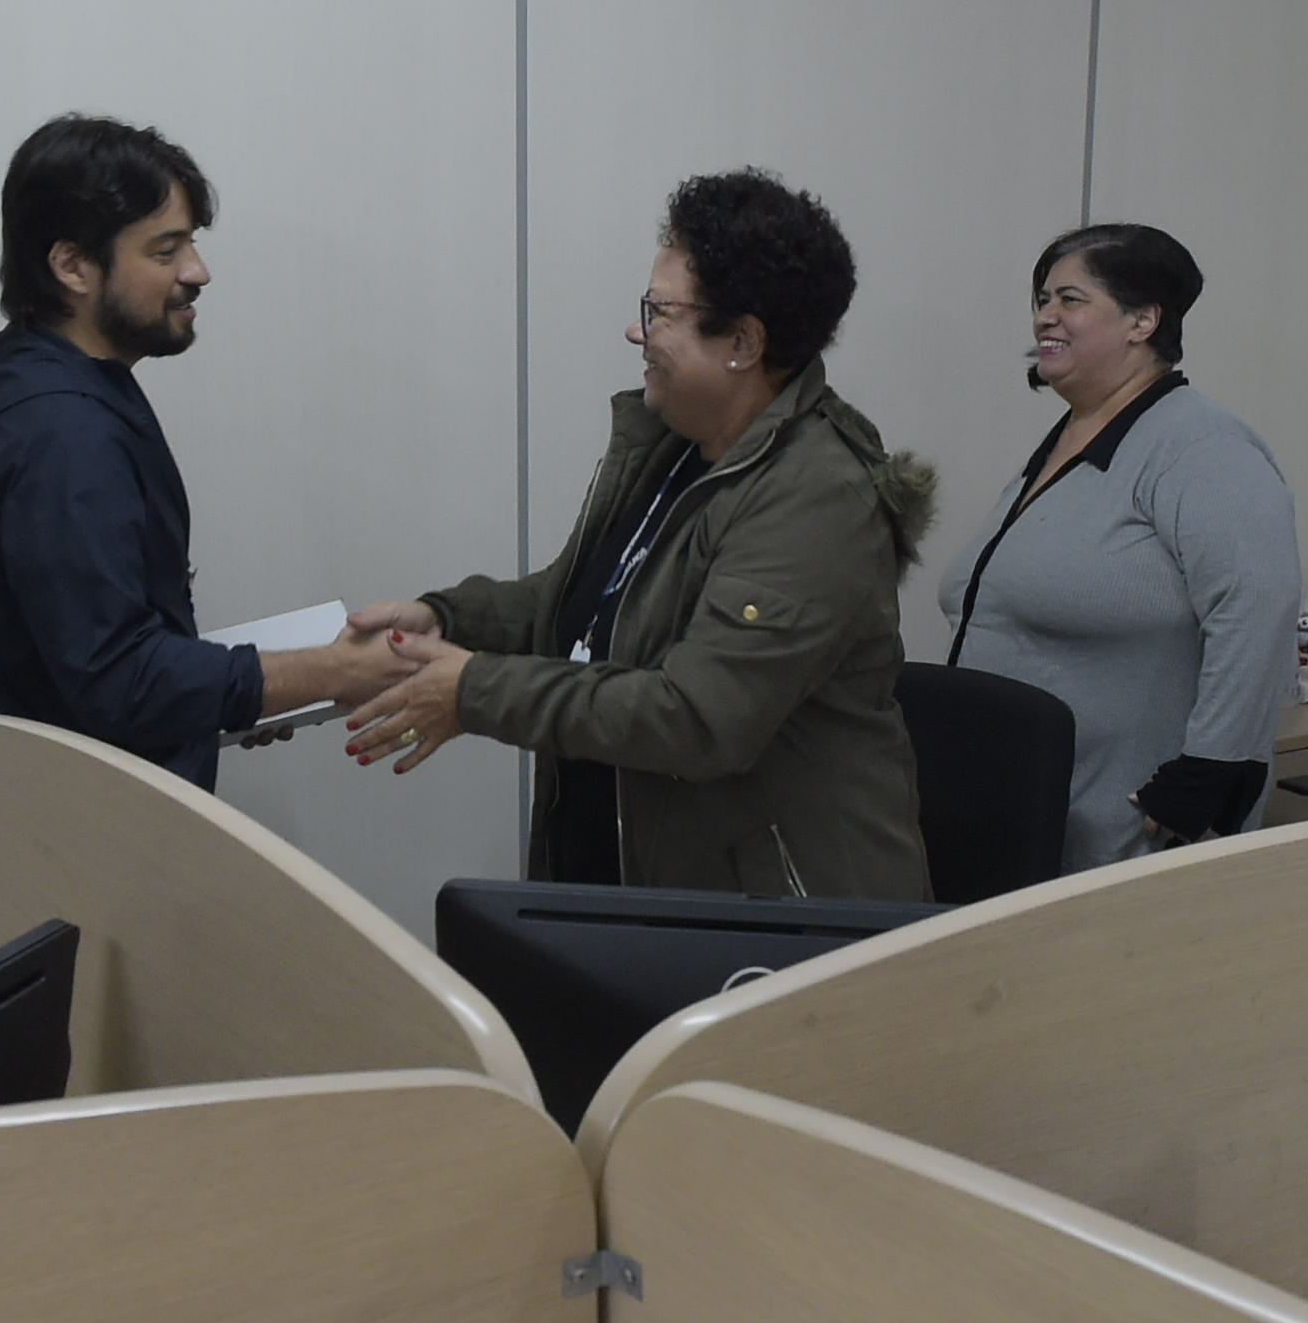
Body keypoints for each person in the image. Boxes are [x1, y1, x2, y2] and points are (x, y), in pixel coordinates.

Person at [346, 170, 933, 899]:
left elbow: (696, 719)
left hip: (778, 923)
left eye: (659, 311)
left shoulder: (818, 496)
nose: (637, 332)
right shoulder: (679, 444)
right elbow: (591, 608)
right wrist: (447, 619)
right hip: (636, 891)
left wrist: (473, 691)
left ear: (743, 341)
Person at [0, 115, 412, 790]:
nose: (197, 271)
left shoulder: (43, 387)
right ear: (72, 266)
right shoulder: (62, 437)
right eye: (164, 251)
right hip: (90, 830)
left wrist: (248, 692)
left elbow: (97, 653)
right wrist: (329, 672)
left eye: (192, 244)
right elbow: (120, 680)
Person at [936, 222, 1299, 872]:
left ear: (1142, 321)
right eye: (1042, 300)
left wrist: (1206, 773)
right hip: (1014, 813)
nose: (1046, 316)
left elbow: (1256, 609)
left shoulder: (1202, 445)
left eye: (1071, 299)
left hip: (1124, 835)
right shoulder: (1071, 438)